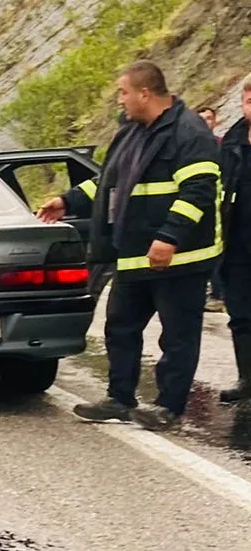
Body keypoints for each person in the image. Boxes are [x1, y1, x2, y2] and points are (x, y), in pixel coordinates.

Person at [37, 60, 220, 431]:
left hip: (178, 259)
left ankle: (168, 406)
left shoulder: (189, 133)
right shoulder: (130, 133)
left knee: (178, 336)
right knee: (120, 327)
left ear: (144, 93)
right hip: (133, 254)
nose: (119, 100)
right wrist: (67, 201)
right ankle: (119, 398)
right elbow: (107, 184)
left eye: (122, 92)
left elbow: (198, 192)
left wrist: (169, 237)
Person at [218, 79, 251, 402]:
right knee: (241, 315)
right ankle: (247, 379)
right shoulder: (231, 142)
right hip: (237, 245)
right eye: (248, 97)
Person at [197, 106, 226, 312]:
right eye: (202, 119)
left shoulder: (224, 146)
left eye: (209, 118)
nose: (206, 122)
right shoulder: (189, 147)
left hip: (223, 208)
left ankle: (218, 294)